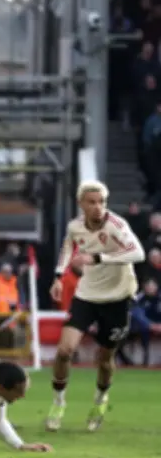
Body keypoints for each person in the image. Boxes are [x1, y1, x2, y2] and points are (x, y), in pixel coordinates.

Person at [47, 180, 145, 432]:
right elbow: (68, 247)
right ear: (81, 204)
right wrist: (58, 275)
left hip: (118, 297)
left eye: (101, 202)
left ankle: (100, 400)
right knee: (64, 351)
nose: (98, 207)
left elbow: (138, 254)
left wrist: (100, 257)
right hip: (87, 295)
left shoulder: (117, 225)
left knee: (104, 359)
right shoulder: (75, 227)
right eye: (92, 202)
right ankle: (58, 402)